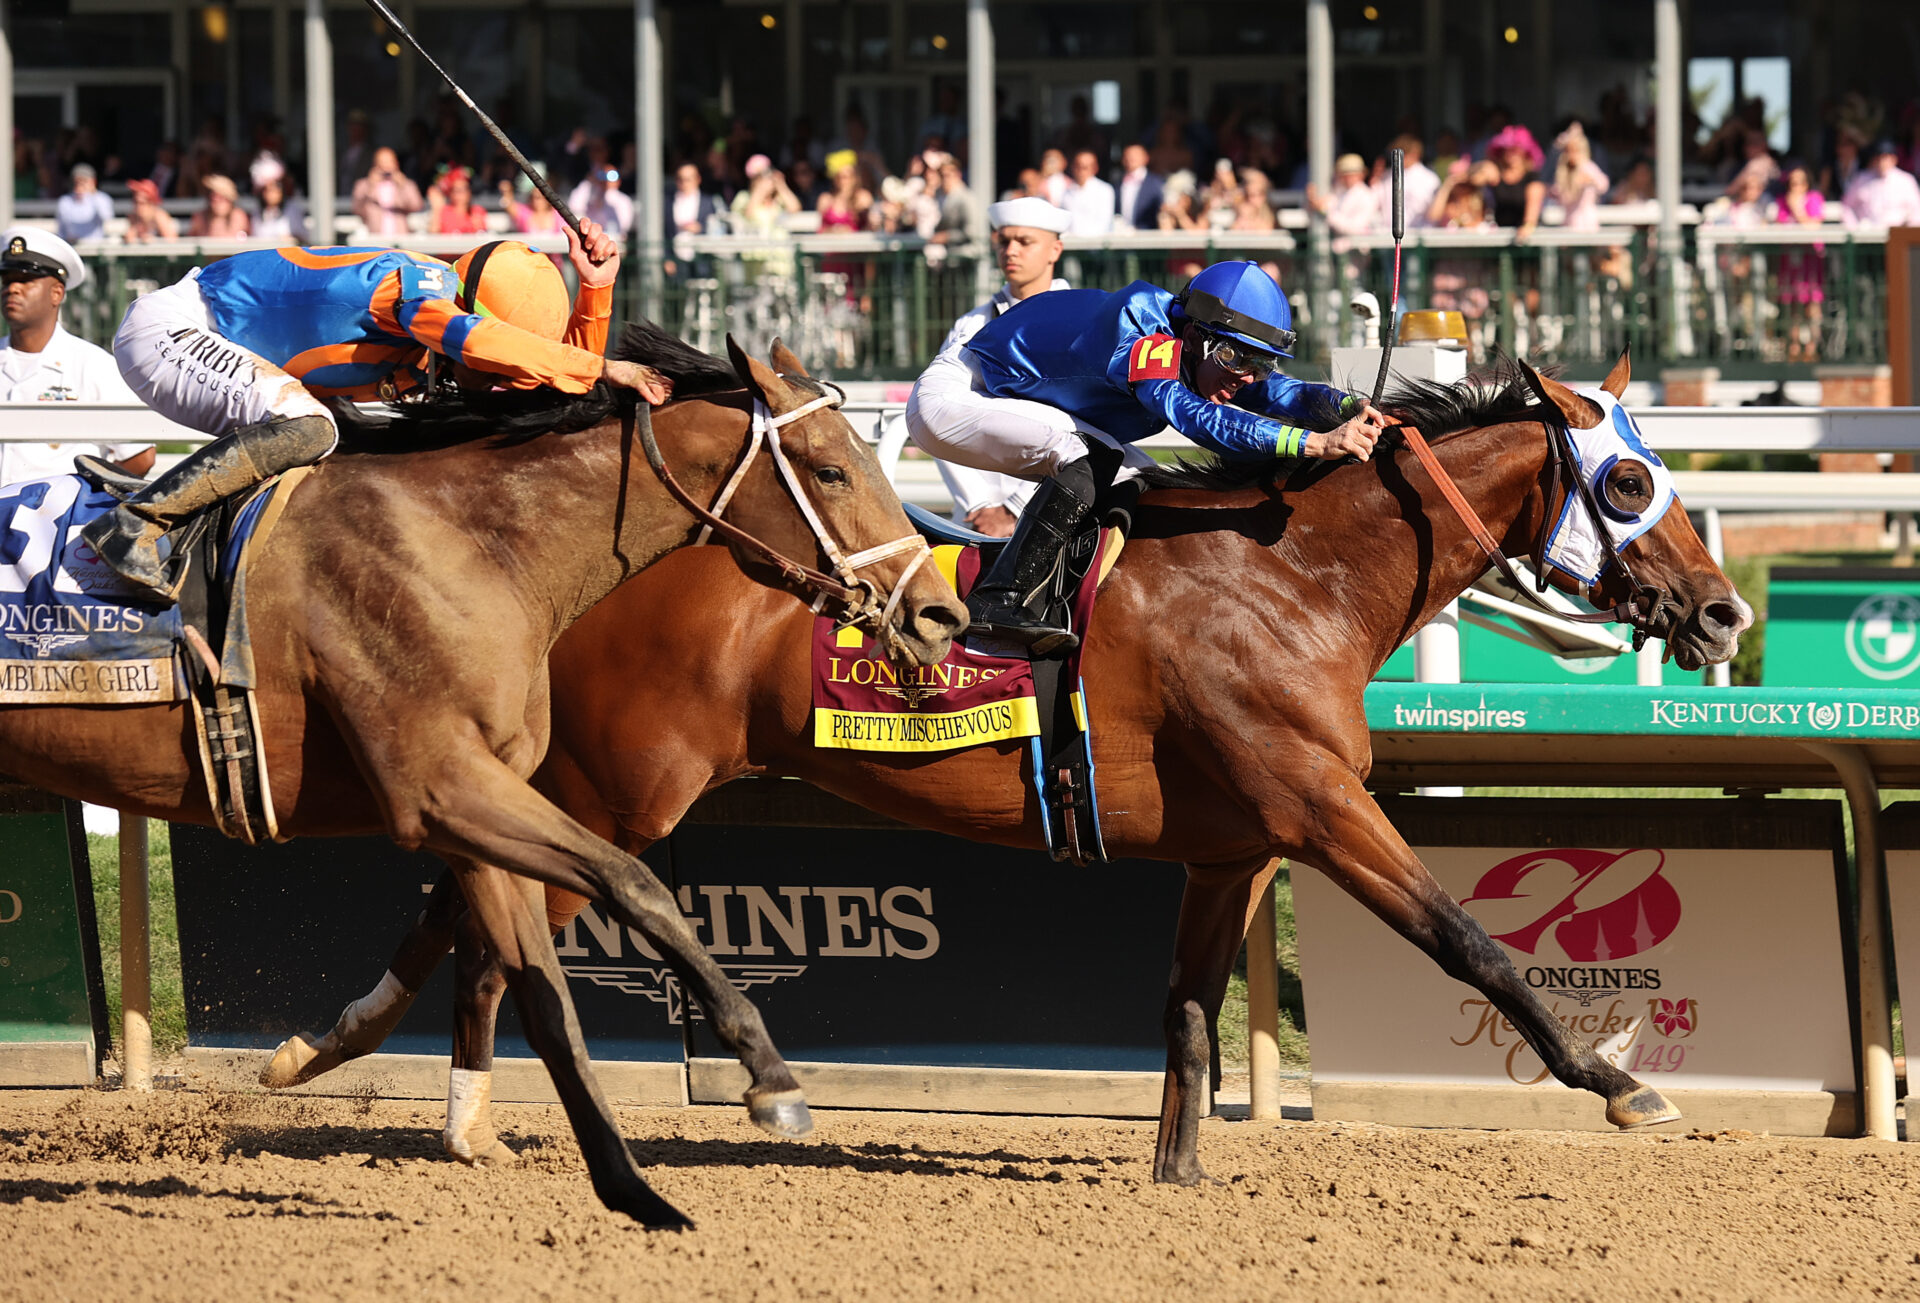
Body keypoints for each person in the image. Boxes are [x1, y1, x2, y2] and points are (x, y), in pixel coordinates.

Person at [83, 221, 668, 603]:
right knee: (310, 428)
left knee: (336, 440)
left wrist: (596, 292)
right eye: (494, 374)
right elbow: (479, 342)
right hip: (170, 331)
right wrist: (604, 368)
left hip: (212, 345)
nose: (493, 387)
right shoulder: (414, 288)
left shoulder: (434, 335)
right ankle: (137, 522)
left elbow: (549, 390)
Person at [914, 260, 1386, 651]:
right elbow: (1197, 419)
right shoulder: (1140, 337)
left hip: (1009, 395)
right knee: (1087, 457)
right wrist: (1313, 442)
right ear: (1197, 336)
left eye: (1257, 362)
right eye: (1236, 359)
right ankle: (999, 600)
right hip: (960, 393)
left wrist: (1347, 405)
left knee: (1139, 478)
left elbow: (1276, 393)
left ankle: (1078, 604)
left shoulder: (1195, 344)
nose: (1246, 375)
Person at [906, 196, 1075, 537]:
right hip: (974, 518)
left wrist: (1014, 508)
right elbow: (938, 408)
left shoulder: (1078, 321)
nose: (1010, 250)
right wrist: (980, 504)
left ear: (1055, 250)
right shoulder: (971, 323)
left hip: (1057, 508)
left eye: (1025, 241)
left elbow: (1082, 427)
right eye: (1004, 240)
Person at [0, 227, 156, 484]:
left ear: (57, 293)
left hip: (57, 521)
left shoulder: (93, 365)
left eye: (26, 280)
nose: (12, 289)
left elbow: (140, 456)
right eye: (7, 281)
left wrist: (82, 501)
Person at [1774, 162, 1827, 363]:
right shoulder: (1781, 201)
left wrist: (1797, 208)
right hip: (1790, 259)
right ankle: (1793, 348)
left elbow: (1813, 227)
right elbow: (1779, 227)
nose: (1796, 187)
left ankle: (1812, 348)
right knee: (1792, 305)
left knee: (1812, 303)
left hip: (1810, 259)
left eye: (1800, 182)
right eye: (1792, 183)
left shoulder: (1814, 199)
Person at [1843, 140, 1920, 227]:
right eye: (1878, 158)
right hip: (1867, 235)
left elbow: (1917, 210)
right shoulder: (1861, 179)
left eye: (1885, 158)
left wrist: (1908, 226)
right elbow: (1847, 206)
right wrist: (1853, 228)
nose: (1881, 162)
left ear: (1894, 159)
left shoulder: (1906, 180)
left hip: (1898, 234)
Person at [351, 148, 426, 238]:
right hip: (374, 237)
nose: (386, 166)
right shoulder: (364, 185)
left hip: (400, 237)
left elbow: (417, 205)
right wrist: (370, 186)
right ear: (375, 165)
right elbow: (356, 208)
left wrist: (402, 185)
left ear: (396, 163)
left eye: (389, 162)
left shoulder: (406, 184)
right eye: (382, 163)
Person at [1550, 123, 1610, 230]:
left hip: (1586, 220)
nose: (1570, 155)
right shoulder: (1563, 170)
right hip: (1568, 220)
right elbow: (1559, 195)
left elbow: (1603, 184)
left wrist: (1591, 181)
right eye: (1567, 151)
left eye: (1573, 151)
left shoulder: (1587, 166)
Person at [569, 165, 635, 241]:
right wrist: (588, 183)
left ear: (619, 181)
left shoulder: (624, 200)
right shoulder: (589, 193)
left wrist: (606, 199)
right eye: (602, 176)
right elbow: (574, 207)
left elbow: (622, 226)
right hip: (591, 241)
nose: (606, 180)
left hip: (614, 242)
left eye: (612, 176)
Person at [55, 164, 115, 242]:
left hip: (94, 246)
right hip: (71, 245)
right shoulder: (65, 201)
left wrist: (93, 193)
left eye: (84, 181)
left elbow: (106, 217)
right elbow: (61, 228)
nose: (81, 184)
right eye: (77, 181)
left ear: (93, 181)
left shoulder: (102, 198)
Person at [1058, 150, 1113, 235]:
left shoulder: (1104, 190)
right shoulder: (1066, 191)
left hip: (1095, 244)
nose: (1081, 171)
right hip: (1071, 244)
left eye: (1085, 167)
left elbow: (1104, 223)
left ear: (1095, 168)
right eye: (1077, 166)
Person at [1115, 143, 1164, 230]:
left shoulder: (1156, 183)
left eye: (1135, 155)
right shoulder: (1118, 183)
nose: (1130, 158)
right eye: (1127, 155)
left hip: (1147, 237)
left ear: (1146, 158)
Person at [429, 166, 490, 236]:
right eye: (456, 190)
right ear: (450, 194)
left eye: (464, 189)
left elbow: (482, 236)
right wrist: (436, 209)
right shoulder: (444, 211)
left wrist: (478, 227)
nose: (461, 195)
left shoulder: (477, 211)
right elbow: (433, 235)